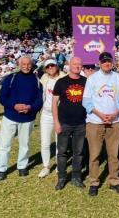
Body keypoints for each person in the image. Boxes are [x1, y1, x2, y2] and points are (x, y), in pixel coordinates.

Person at [82, 52, 119, 196]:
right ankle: (94, 182)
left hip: (114, 122)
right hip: (95, 122)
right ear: (99, 63)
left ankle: (114, 181)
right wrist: (100, 115)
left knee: (113, 155)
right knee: (94, 154)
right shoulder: (92, 78)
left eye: (109, 61)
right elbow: (86, 101)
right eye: (104, 61)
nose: (107, 64)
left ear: (112, 62)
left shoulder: (118, 78)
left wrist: (115, 114)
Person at [0, 56, 43, 181]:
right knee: (4, 144)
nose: (26, 67)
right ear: (19, 64)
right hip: (10, 116)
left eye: (28, 64)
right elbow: (2, 97)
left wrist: (30, 107)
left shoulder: (37, 81)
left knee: (24, 144)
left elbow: (39, 101)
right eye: (24, 64)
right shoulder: (11, 78)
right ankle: (0, 169)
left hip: (28, 117)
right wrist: (14, 105)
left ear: (32, 65)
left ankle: (22, 166)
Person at [52, 57, 87, 190]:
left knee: (78, 152)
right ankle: (61, 178)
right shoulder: (61, 82)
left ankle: (76, 177)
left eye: (79, 64)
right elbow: (54, 103)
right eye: (75, 64)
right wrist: (56, 122)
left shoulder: (86, 82)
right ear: (69, 65)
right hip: (64, 122)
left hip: (80, 123)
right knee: (62, 152)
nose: (77, 66)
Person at [38, 59, 66, 178]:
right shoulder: (44, 78)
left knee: (59, 141)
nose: (50, 68)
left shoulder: (64, 78)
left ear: (56, 66)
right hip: (46, 113)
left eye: (52, 65)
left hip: (60, 114)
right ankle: (46, 166)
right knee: (45, 142)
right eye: (48, 67)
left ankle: (59, 166)